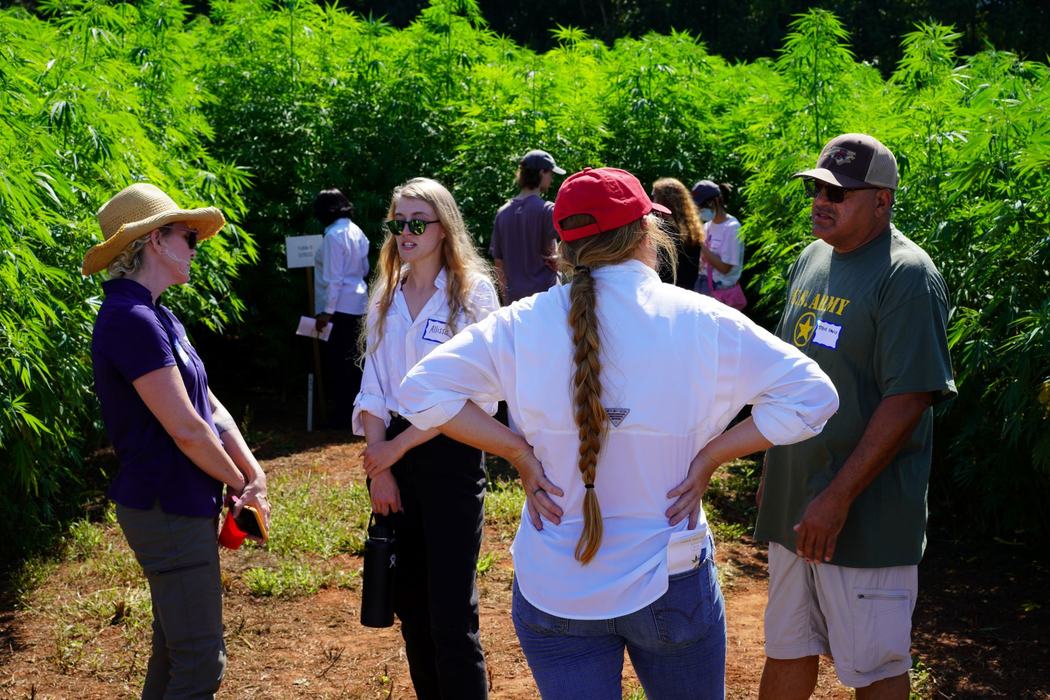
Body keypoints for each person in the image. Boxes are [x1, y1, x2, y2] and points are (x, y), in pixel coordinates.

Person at [396, 167, 840, 700]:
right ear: (644, 234)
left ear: (561, 245)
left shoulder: (519, 323)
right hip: (670, 571)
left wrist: (517, 452)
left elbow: (420, 392)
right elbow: (814, 398)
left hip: (555, 583)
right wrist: (711, 457)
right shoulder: (700, 319)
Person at [754, 133, 957, 699]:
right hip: (796, 505)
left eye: (839, 193)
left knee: (873, 670)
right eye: (817, 188)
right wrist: (776, 470)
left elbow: (908, 398)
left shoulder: (907, 275)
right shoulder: (812, 257)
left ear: (882, 202)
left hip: (864, 519)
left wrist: (837, 497)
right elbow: (790, 371)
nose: (823, 200)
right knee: (787, 648)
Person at [82, 183, 271, 698]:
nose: (195, 245)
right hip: (165, 506)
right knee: (199, 663)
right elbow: (186, 429)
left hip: (180, 501)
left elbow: (210, 406)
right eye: (189, 236)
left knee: (174, 653)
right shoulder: (130, 319)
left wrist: (253, 475)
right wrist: (238, 486)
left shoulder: (158, 313)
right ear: (155, 241)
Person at [353, 177, 499, 699]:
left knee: (451, 615)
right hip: (394, 455)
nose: (406, 232)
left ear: (444, 229)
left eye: (418, 222)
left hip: (453, 453)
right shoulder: (386, 296)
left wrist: (396, 448)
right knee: (410, 607)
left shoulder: (472, 295)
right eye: (399, 223)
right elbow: (372, 390)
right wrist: (383, 466)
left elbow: (477, 394)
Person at [312, 188, 370, 428]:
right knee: (355, 361)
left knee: (338, 364)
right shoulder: (358, 231)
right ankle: (357, 415)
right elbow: (364, 269)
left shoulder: (333, 236)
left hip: (339, 308)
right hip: (359, 303)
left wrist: (326, 311)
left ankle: (342, 418)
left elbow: (333, 278)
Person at [489, 149, 565, 304]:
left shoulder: (502, 213)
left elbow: (499, 264)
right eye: (550, 173)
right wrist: (562, 259)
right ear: (542, 173)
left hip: (515, 302)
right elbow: (571, 246)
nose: (551, 179)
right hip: (547, 299)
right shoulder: (548, 210)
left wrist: (505, 301)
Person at [692, 180, 746, 309]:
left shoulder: (732, 228)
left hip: (722, 294)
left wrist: (701, 243)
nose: (699, 211)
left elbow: (725, 268)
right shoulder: (706, 226)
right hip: (703, 286)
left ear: (715, 201)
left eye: (701, 207)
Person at [651, 177, 704, 290]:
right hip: (687, 292)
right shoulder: (692, 229)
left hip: (666, 293)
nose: (652, 201)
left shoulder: (663, 230)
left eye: (654, 196)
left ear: (665, 201)